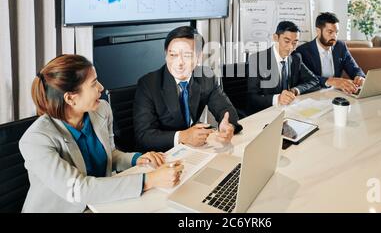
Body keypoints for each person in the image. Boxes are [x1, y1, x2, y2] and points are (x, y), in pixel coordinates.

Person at [19, 54, 183, 213]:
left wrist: (136, 159)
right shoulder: (36, 140)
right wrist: (150, 180)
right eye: (94, 83)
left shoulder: (101, 109)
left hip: (102, 204)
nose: (101, 88)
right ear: (70, 98)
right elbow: (78, 189)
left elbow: (110, 154)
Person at [134, 26, 242, 153]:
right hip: (163, 155)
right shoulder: (148, 84)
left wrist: (227, 125)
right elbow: (144, 136)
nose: (179, 63)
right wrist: (183, 136)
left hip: (195, 150)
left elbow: (225, 109)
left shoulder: (206, 76)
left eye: (187, 55)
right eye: (173, 55)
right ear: (165, 54)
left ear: (199, 57)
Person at [247, 21, 320, 114]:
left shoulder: (296, 58)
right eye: (287, 41)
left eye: (295, 42)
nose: (291, 47)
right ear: (275, 38)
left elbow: (314, 81)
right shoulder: (257, 60)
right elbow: (252, 98)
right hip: (265, 113)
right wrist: (278, 98)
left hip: (289, 111)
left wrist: (295, 91)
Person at [295, 12, 365, 94]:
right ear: (318, 31)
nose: (334, 36)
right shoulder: (303, 50)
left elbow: (354, 68)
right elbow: (306, 78)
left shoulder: (340, 46)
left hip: (337, 94)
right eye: (330, 32)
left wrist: (359, 76)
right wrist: (330, 81)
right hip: (314, 94)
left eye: (336, 32)